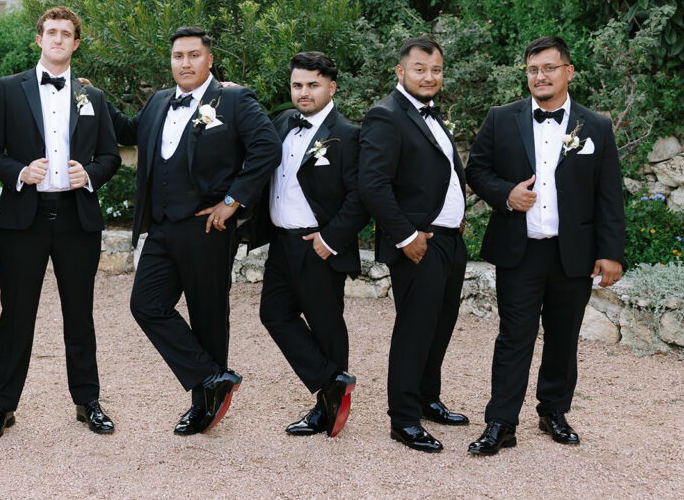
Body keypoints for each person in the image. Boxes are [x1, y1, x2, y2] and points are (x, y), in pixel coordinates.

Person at [107, 26, 281, 435]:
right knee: (146, 305)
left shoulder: (234, 99)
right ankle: (212, 377)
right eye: (177, 56)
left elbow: (266, 147)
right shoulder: (157, 102)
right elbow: (128, 131)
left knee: (207, 317)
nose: (184, 63)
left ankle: (203, 405)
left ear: (209, 60)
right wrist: (92, 96)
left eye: (192, 56)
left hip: (207, 227)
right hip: (162, 227)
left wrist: (233, 201)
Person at [465, 35, 624, 456]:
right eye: (533, 69)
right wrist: (505, 194)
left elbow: (609, 195)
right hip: (520, 251)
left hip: (574, 252)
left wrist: (611, 252)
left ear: (568, 72)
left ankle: (553, 410)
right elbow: (476, 170)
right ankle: (501, 421)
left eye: (549, 68)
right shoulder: (501, 118)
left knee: (563, 336)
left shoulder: (597, 127)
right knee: (513, 336)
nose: (540, 76)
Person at [0, 6, 121, 442]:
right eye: (51, 32)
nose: (58, 39)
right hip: (25, 219)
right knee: (16, 314)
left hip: (77, 218)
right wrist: (20, 171)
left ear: (76, 43)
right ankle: (1, 406)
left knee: (80, 314)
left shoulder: (92, 97)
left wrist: (91, 175)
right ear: (39, 39)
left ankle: (87, 401)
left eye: (67, 34)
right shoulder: (8, 89)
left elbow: (111, 155)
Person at [246, 51, 369, 437]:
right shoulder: (282, 122)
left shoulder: (348, 135)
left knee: (326, 325)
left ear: (331, 87)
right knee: (273, 314)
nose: (304, 92)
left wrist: (331, 239)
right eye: (298, 84)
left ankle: (327, 409)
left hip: (319, 245)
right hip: (281, 243)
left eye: (313, 85)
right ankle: (332, 382)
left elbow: (362, 195)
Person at [359, 35, 470, 453]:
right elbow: (372, 184)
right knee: (414, 329)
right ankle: (403, 419)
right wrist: (406, 237)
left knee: (440, 325)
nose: (429, 76)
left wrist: (456, 218)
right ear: (400, 72)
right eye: (420, 69)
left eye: (436, 69)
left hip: (447, 241)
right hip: (417, 244)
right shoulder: (386, 115)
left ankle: (426, 398)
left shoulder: (432, 116)